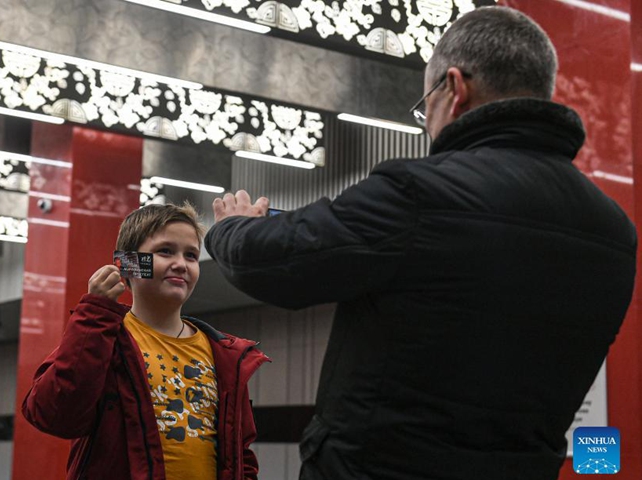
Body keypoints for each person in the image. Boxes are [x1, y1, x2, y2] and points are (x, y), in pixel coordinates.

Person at [205, 6, 636, 480]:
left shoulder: (420, 193)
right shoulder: (614, 230)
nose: (426, 123)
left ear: (454, 88)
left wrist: (231, 226)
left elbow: (272, 261)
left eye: (424, 104)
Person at [23, 203, 269, 480]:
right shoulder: (102, 338)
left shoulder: (225, 354)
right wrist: (93, 314)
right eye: (165, 251)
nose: (181, 263)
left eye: (191, 255)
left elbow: (240, 454)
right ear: (127, 263)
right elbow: (55, 415)